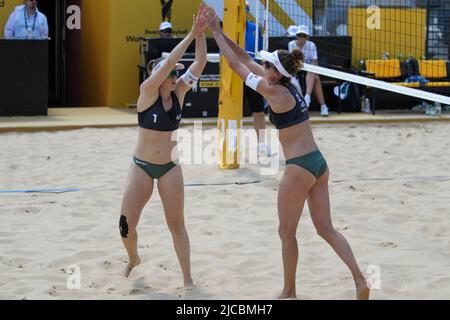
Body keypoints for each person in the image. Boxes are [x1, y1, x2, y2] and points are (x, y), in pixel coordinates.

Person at [202, 5, 370, 300]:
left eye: (266, 65)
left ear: (273, 73)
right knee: (326, 229)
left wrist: (214, 31)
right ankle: (359, 279)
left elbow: (234, 65)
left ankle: (289, 291)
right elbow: (244, 57)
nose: (262, 66)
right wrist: (220, 28)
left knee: (286, 233)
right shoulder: (286, 83)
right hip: (319, 163)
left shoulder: (273, 91)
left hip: (300, 168)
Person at [119, 4, 208, 287]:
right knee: (125, 226)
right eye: (171, 73)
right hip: (142, 168)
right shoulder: (147, 93)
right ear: (159, 76)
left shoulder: (179, 91)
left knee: (176, 224)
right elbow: (170, 63)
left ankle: (188, 279)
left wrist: (202, 33)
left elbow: (201, 61)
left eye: (176, 73)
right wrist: (191, 34)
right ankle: (133, 258)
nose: (175, 76)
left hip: (169, 168)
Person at [244, 1, 271, 156]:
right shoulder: (228, 29)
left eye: (246, 10)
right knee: (233, 113)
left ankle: (261, 145)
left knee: (259, 112)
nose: (245, 13)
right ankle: (231, 145)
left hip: (253, 76)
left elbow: (261, 54)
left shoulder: (255, 29)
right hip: (235, 76)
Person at [288, 25, 330, 117]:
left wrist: (309, 68)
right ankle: (322, 105)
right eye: (299, 35)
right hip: (295, 70)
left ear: (307, 37)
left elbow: (315, 62)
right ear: (296, 36)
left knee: (315, 76)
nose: (301, 38)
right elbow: (292, 62)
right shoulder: (291, 44)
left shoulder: (311, 45)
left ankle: (307, 97)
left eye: (303, 35)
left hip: (309, 70)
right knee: (315, 77)